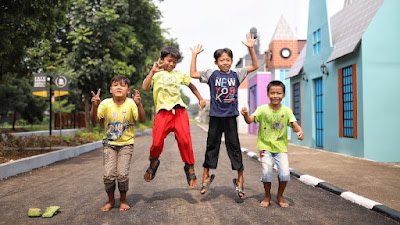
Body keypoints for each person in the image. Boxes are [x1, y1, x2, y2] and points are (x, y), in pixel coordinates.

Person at [190, 33, 259, 198]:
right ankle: (205, 176)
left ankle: (240, 178)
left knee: (234, 147)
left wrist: (251, 49)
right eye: (222, 60)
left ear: (231, 61)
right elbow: (193, 74)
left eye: (228, 59)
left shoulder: (237, 73)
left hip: (230, 117)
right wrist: (194, 56)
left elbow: (255, 66)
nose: (225, 63)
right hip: (215, 117)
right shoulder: (211, 74)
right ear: (216, 62)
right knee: (212, 146)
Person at [142, 46, 206, 189]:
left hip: (179, 112)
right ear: (161, 60)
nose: (171, 64)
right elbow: (145, 87)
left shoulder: (178, 75)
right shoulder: (156, 74)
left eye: (174, 62)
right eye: (169, 61)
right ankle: (154, 162)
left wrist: (200, 98)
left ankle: (190, 170)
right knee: (157, 143)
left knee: (185, 141)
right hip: (163, 113)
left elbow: (191, 85)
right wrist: (152, 72)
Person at [241, 80, 304, 208]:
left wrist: (300, 131)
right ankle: (267, 195)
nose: (275, 95)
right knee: (266, 172)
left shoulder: (286, 111)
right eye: (272, 93)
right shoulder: (262, 109)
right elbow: (249, 121)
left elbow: (294, 125)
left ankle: (280, 195)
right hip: (265, 147)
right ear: (268, 94)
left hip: (281, 148)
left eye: (279, 93)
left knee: (285, 174)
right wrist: (245, 115)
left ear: (284, 95)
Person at [90, 75, 145, 212]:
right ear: (110, 89)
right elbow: (95, 120)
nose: (119, 87)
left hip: (126, 144)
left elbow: (142, 120)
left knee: (122, 174)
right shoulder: (105, 104)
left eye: (122, 85)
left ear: (128, 90)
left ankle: (123, 199)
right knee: (108, 174)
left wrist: (139, 104)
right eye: (115, 85)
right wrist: (94, 106)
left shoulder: (131, 103)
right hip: (109, 144)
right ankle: (111, 200)